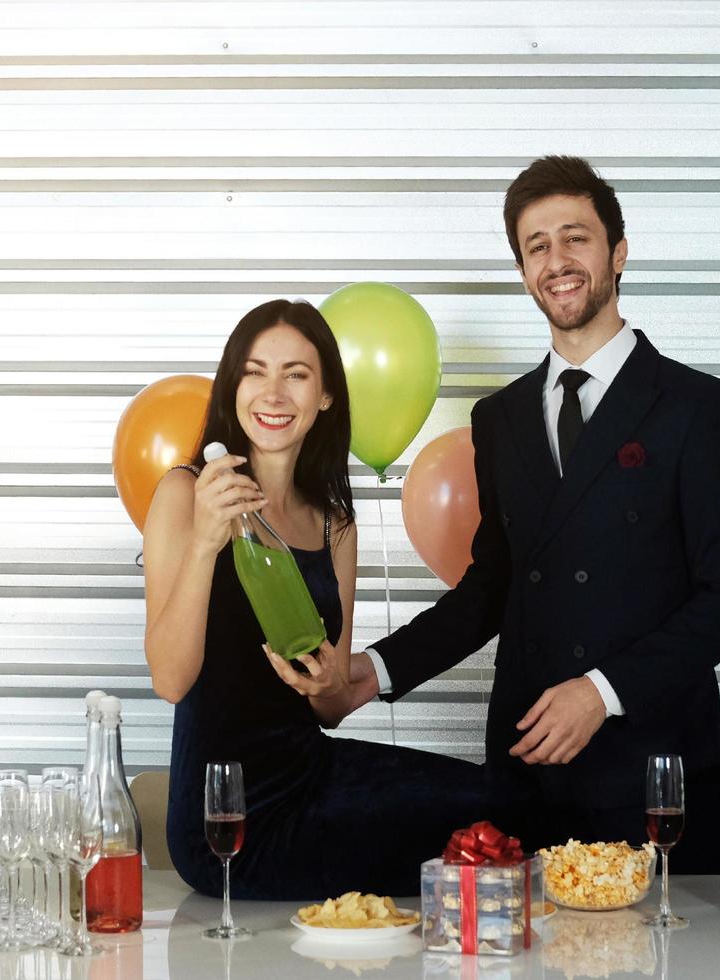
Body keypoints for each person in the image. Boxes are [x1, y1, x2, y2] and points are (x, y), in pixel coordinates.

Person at [347, 156, 720, 873]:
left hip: (653, 776)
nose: (557, 260)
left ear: (619, 253)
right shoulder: (500, 417)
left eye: (576, 237)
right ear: (522, 270)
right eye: (536, 246)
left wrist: (603, 693)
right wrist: (372, 671)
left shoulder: (699, 408)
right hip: (528, 768)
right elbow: (492, 588)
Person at [144, 299, 489, 900]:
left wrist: (327, 681)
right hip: (224, 820)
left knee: (501, 801)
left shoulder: (335, 524)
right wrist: (205, 542)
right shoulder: (184, 492)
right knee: (462, 841)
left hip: (315, 775)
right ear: (233, 388)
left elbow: (327, 708)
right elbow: (171, 680)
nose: (273, 393)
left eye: (296, 374)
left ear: (325, 395)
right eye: (255, 372)